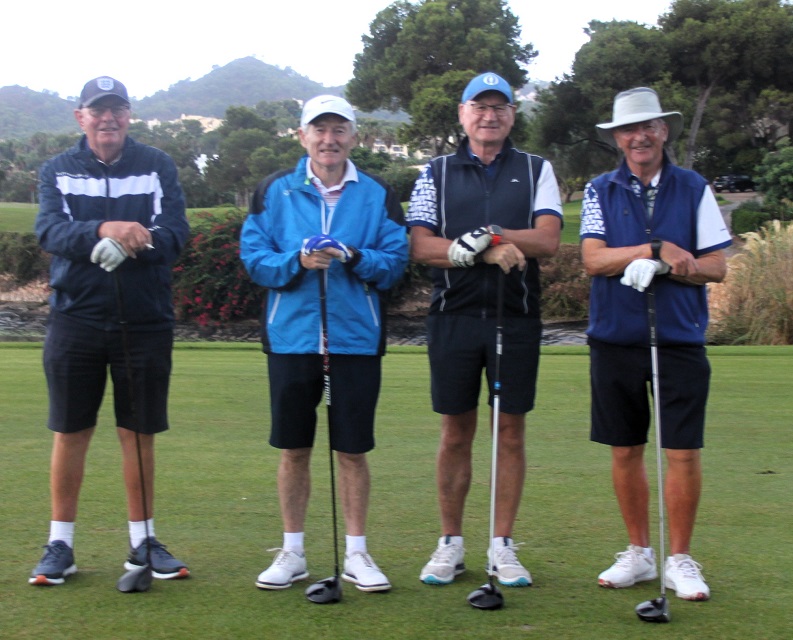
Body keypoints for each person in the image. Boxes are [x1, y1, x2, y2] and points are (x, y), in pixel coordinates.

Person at [240, 95, 408, 593]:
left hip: (354, 339)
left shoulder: (376, 193)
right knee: (294, 448)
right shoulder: (274, 190)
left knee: (352, 450)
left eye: (339, 130)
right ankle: (292, 551)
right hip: (292, 338)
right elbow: (255, 259)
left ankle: (356, 553)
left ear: (354, 137)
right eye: (320, 130)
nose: (329, 139)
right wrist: (296, 260)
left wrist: (353, 255)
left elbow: (394, 263)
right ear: (303, 136)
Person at [30, 77, 191, 586]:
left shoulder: (157, 164)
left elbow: (175, 233)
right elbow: (49, 230)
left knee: (137, 432)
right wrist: (102, 230)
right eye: (98, 110)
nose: (108, 119)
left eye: (117, 109)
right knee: (71, 429)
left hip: (144, 319)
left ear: (128, 115)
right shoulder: (57, 169)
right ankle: (60, 544)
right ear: (81, 117)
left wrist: (132, 240)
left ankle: (143, 541)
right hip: (75, 316)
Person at [406, 72, 562, 587]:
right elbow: (420, 245)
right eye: (480, 106)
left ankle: (502, 545)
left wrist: (490, 235)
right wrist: (478, 251)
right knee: (455, 431)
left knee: (509, 432)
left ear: (513, 115)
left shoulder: (536, 169)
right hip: (452, 317)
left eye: (499, 107)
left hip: (514, 318)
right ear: (463, 113)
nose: (489, 116)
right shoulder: (435, 172)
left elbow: (547, 239)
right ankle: (450, 542)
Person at [580, 87, 731, 601]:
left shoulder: (693, 187)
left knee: (682, 452)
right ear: (617, 138)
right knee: (625, 448)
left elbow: (716, 266)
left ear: (664, 130)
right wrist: (651, 249)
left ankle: (680, 558)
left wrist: (669, 267)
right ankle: (639, 552)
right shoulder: (599, 190)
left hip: (678, 338)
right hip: (615, 338)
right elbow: (593, 259)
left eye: (648, 126)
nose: (639, 136)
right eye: (629, 129)